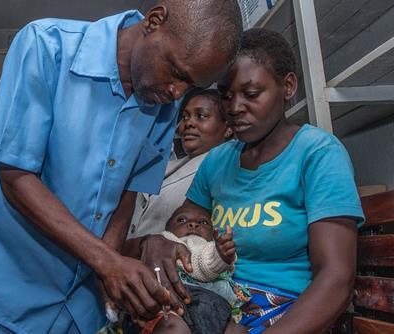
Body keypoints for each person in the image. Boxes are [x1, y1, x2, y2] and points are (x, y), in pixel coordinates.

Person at [0, 1, 242, 333]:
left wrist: (111, 269)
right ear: (154, 21)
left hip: (79, 308)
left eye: (189, 85)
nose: (177, 91)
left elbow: (127, 192)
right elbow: (15, 177)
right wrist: (106, 261)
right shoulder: (46, 46)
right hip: (4, 297)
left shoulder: (164, 102)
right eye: (176, 72)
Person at [137, 28, 365, 334]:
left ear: (288, 86)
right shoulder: (218, 160)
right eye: (226, 96)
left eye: (252, 94)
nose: (234, 107)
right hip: (216, 304)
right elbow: (183, 231)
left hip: (287, 315)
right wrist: (156, 243)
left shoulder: (318, 154)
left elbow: (336, 279)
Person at [116, 203, 248, 334]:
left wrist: (220, 254)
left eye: (203, 222)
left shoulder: (209, 247)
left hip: (213, 310)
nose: (193, 224)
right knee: (174, 329)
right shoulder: (165, 242)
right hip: (171, 307)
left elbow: (206, 261)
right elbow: (203, 264)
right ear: (167, 229)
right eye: (182, 220)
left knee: (237, 330)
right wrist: (217, 258)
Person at [128, 88, 233, 238]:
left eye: (201, 116)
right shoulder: (166, 163)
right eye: (185, 117)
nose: (189, 123)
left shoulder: (225, 167)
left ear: (228, 128)